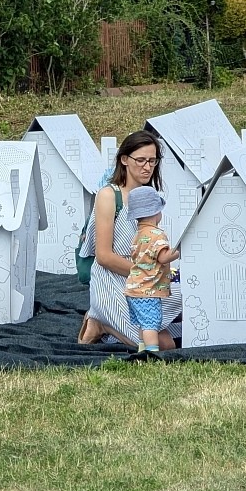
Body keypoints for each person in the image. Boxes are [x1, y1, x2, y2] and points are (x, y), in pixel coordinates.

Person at [77, 131, 183, 348]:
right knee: (159, 344)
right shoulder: (109, 195)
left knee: (188, 298)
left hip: (143, 275)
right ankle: (100, 322)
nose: (147, 167)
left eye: (152, 161)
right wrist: (146, 275)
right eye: (141, 160)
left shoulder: (148, 194)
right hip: (112, 277)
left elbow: (149, 244)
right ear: (124, 160)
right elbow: (104, 256)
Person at [124, 186, 181, 353]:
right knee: (151, 325)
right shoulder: (157, 234)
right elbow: (163, 257)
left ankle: (143, 351)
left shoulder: (138, 234)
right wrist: (178, 251)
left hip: (134, 289)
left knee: (143, 323)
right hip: (148, 290)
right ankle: (152, 353)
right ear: (156, 212)